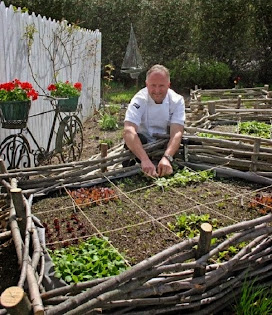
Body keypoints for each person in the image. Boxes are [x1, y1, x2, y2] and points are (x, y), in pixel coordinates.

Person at [123, 64, 185, 177]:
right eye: (153, 85)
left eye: (161, 86)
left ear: (168, 85)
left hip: (163, 143)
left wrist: (167, 157)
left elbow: (176, 133)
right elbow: (128, 131)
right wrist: (144, 159)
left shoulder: (177, 100)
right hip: (142, 144)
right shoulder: (138, 100)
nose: (157, 90)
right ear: (147, 85)